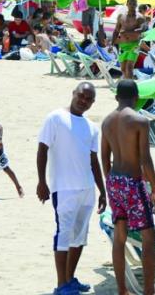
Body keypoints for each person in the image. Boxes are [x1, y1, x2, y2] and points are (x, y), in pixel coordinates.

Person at [37, 83, 106, 295]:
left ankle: (70, 278)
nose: (83, 101)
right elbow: (42, 150)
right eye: (81, 96)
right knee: (63, 234)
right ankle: (61, 284)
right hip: (64, 188)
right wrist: (42, 181)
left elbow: (94, 160)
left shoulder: (92, 127)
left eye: (88, 99)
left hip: (87, 189)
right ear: (73, 94)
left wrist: (102, 190)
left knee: (80, 237)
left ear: (92, 103)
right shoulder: (55, 118)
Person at [99, 80, 155, 295]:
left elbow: (104, 158)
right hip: (133, 182)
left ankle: (122, 290)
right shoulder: (140, 121)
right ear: (137, 97)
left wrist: (110, 184)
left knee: (120, 236)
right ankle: (149, 290)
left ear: (116, 97)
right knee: (149, 237)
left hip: (114, 181)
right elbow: (145, 159)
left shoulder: (106, 122)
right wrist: (154, 189)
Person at [111, 0, 147, 80]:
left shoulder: (140, 17)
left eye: (134, 4)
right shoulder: (121, 17)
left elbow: (142, 30)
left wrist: (127, 32)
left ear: (136, 5)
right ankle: (127, 83)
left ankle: (129, 86)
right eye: (130, 3)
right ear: (126, 4)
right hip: (123, 45)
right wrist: (111, 44)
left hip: (134, 45)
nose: (132, 5)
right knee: (123, 69)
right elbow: (116, 31)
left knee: (129, 67)